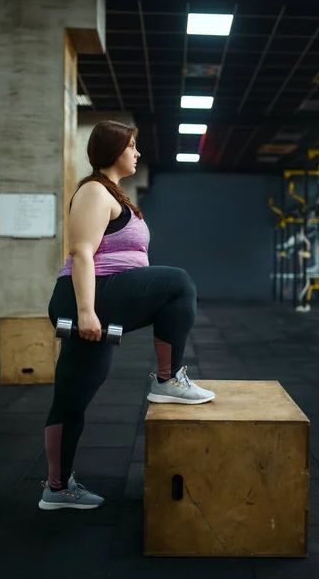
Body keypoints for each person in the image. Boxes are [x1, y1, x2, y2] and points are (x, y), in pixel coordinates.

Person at [38, 120, 215, 511]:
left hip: (101, 300)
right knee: (179, 283)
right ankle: (169, 380)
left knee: (73, 397)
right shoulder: (94, 191)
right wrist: (86, 311)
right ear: (114, 150)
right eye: (132, 146)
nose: (137, 153)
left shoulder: (115, 193)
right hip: (87, 297)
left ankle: (56, 487)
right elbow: (82, 252)